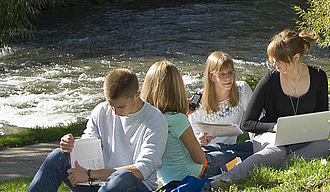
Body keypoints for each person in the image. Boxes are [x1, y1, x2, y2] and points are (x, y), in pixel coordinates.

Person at [211, 30, 330, 185]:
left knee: (324, 145)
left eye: (279, 60)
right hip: (270, 138)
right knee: (278, 150)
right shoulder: (270, 80)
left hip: (301, 140)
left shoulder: (319, 77)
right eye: (272, 59)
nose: (274, 64)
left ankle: (277, 165)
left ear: (295, 57)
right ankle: (229, 177)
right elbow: (247, 123)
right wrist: (274, 127)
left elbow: (321, 119)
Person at [28, 69, 168, 192]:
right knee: (58, 156)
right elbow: (88, 146)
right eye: (111, 105)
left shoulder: (155, 120)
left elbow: (141, 171)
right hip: (98, 183)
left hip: (133, 186)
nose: (114, 112)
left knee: (122, 177)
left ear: (137, 95)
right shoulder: (101, 111)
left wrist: (90, 174)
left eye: (120, 106)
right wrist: (71, 144)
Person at [187, 51, 256, 175]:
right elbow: (192, 139)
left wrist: (257, 142)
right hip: (210, 151)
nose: (228, 78)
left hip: (233, 149)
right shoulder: (199, 101)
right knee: (213, 159)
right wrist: (200, 140)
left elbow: (255, 119)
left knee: (255, 146)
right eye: (222, 74)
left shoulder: (242, 89)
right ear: (211, 76)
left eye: (230, 73)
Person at [140, 61, 207, 183]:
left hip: (167, 178)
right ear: (177, 89)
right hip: (190, 175)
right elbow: (200, 159)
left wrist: (184, 113)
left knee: (217, 148)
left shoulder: (147, 118)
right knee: (234, 151)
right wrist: (183, 116)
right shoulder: (177, 119)